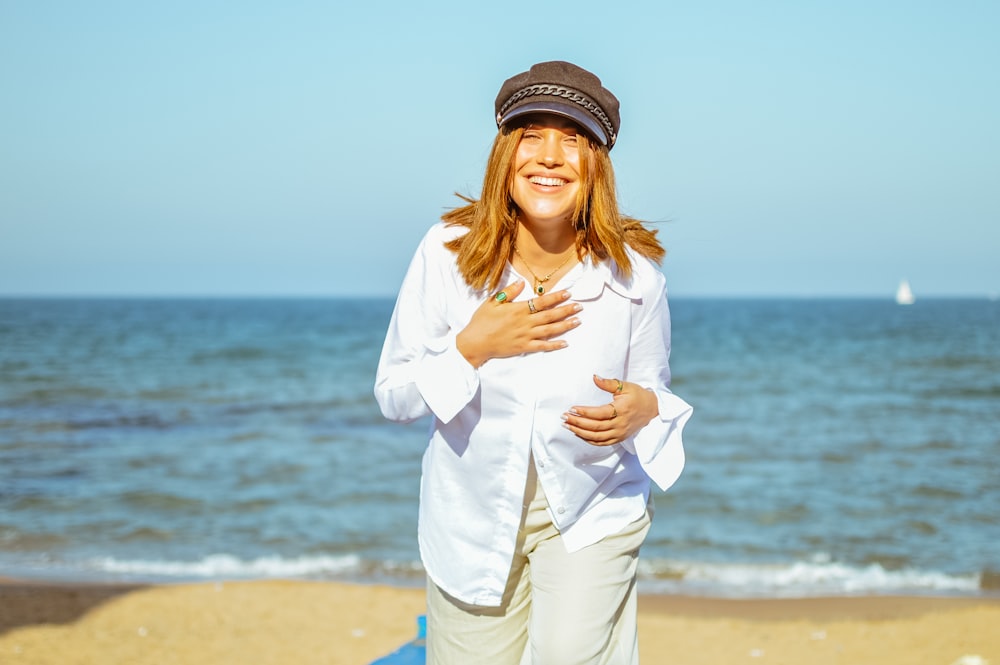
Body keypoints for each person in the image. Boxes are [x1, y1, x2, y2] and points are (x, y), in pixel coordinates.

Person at [374, 60, 693, 665]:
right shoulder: (446, 253)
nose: (549, 156)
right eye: (531, 135)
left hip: (591, 507)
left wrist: (643, 409)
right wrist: (472, 346)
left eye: (571, 139)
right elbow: (394, 396)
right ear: (505, 155)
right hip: (469, 515)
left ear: (595, 165)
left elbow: (652, 394)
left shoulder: (636, 278)